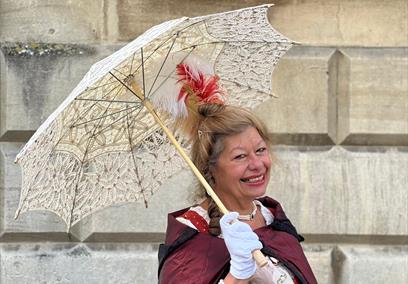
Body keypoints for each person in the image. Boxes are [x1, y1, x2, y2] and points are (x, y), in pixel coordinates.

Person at [158, 104, 317, 284]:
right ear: (210, 169)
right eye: (240, 156)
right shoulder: (191, 231)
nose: (257, 164)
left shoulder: (271, 215)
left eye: (260, 150)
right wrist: (237, 275)